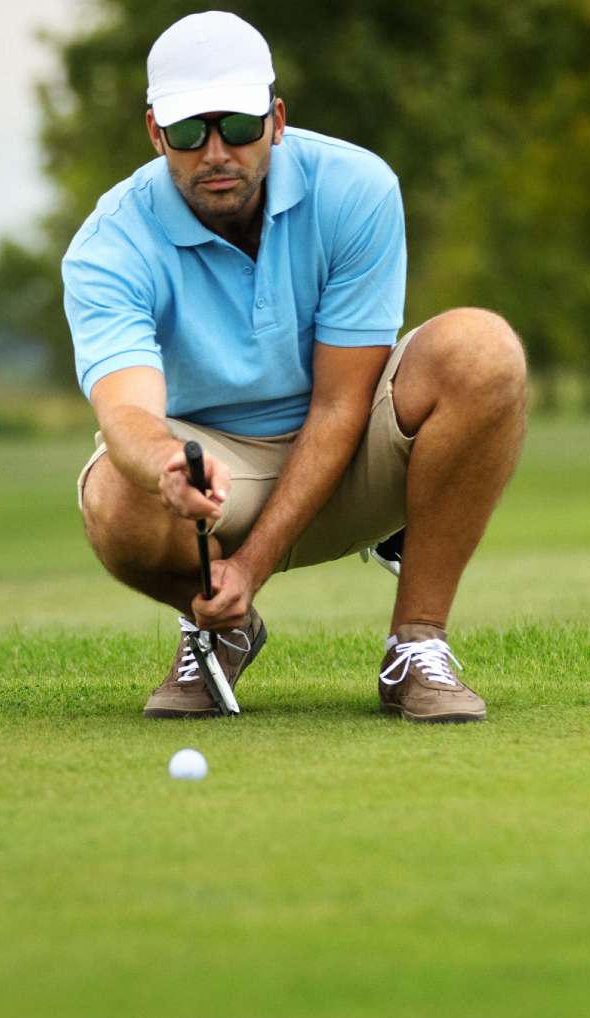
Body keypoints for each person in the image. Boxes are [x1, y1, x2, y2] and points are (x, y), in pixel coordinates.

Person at [64, 10, 527, 722]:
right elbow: (126, 413)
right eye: (190, 133)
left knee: (483, 350)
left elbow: (343, 405)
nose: (216, 152)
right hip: (218, 480)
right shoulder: (110, 244)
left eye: (239, 127)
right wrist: (165, 465)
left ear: (276, 120)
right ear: (156, 133)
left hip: (351, 452)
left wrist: (251, 566)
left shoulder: (357, 187)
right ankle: (221, 629)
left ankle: (416, 644)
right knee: (113, 498)